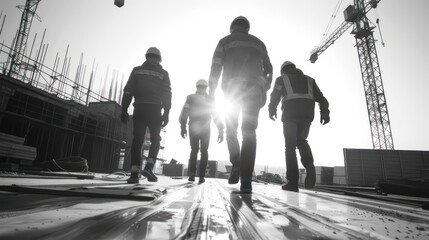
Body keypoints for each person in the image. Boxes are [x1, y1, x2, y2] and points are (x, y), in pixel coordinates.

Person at [208, 16, 273, 193]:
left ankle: (236, 162)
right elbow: (269, 70)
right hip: (254, 91)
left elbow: (216, 67)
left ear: (232, 28)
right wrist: (264, 88)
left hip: (232, 90)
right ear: (247, 28)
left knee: (231, 129)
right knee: (249, 132)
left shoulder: (224, 41)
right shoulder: (259, 43)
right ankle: (246, 181)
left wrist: (211, 90)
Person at [268, 61, 330, 192]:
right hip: (307, 115)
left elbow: (275, 96)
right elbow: (322, 99)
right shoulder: (310, 80)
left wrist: (272, 108)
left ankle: (292, 182)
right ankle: (309, 164)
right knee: (302, 141)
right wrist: (325, 112)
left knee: (290, 146)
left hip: (290, 114)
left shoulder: (281, 79)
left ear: (283, 71)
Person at [120, 47, 172, 184]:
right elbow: (167, 94)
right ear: (158, 58)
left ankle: (134, 173)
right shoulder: (163, 73)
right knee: (155, 139)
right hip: (154, 110)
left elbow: (128, 90)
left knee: (138, 140)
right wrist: (166, 113)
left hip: (140, 109)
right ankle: (148, 167)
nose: (153, 60)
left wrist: (124, 108)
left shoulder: (137, 71)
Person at [179, 79, 224, 184]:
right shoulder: (210, 99)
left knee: (194, 150)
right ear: (206, 87)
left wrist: (183, 126)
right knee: (204, 151)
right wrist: (220, 129)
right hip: (205, 128)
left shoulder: (190, 98)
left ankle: (192, 175)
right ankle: (201, 177)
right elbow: (216, 115)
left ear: (197, 87)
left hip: (194, 126)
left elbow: (185, 112)